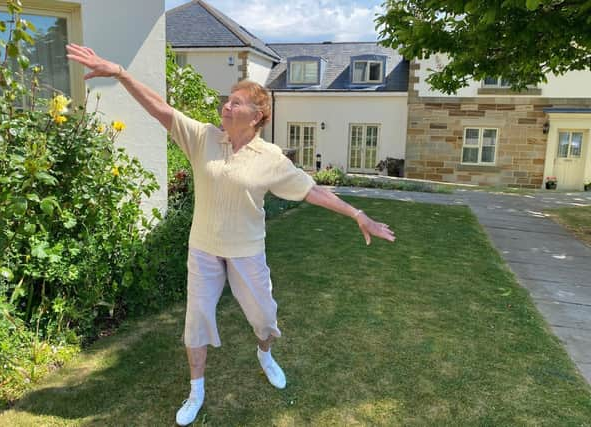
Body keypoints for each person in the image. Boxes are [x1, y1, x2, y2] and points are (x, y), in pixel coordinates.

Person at [66, 43, 396, 426]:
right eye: (227, 100)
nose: (226, 106)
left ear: (258, 116)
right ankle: (196, 389)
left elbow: (313, 190)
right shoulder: (203, 137)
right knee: (198, 318)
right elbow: (161, 108)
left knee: (264, 316)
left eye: (237, 103)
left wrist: (358, 214)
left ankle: (265, 353)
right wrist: (121, 73)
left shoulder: (271, 158)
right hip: (203, 249)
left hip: (246, 251)